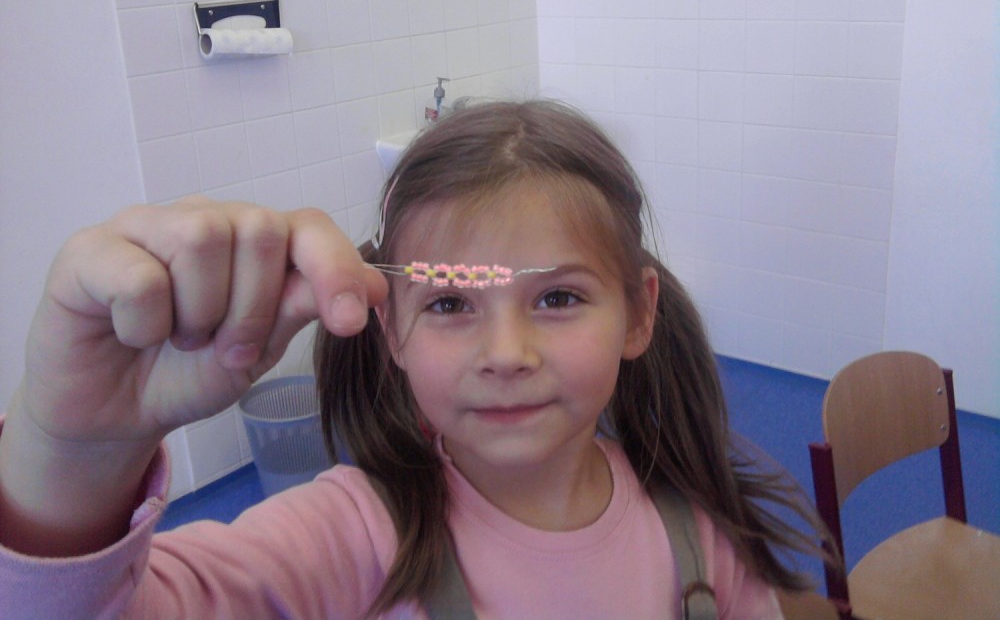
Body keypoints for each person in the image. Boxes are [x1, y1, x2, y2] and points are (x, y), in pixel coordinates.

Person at [0, 99, 833, 619]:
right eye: (449, 304)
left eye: (557, 298)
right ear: (391, 331)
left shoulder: (697, 529)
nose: (506, 354)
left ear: (638, 313)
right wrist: (70, 451)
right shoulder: (347, 540)